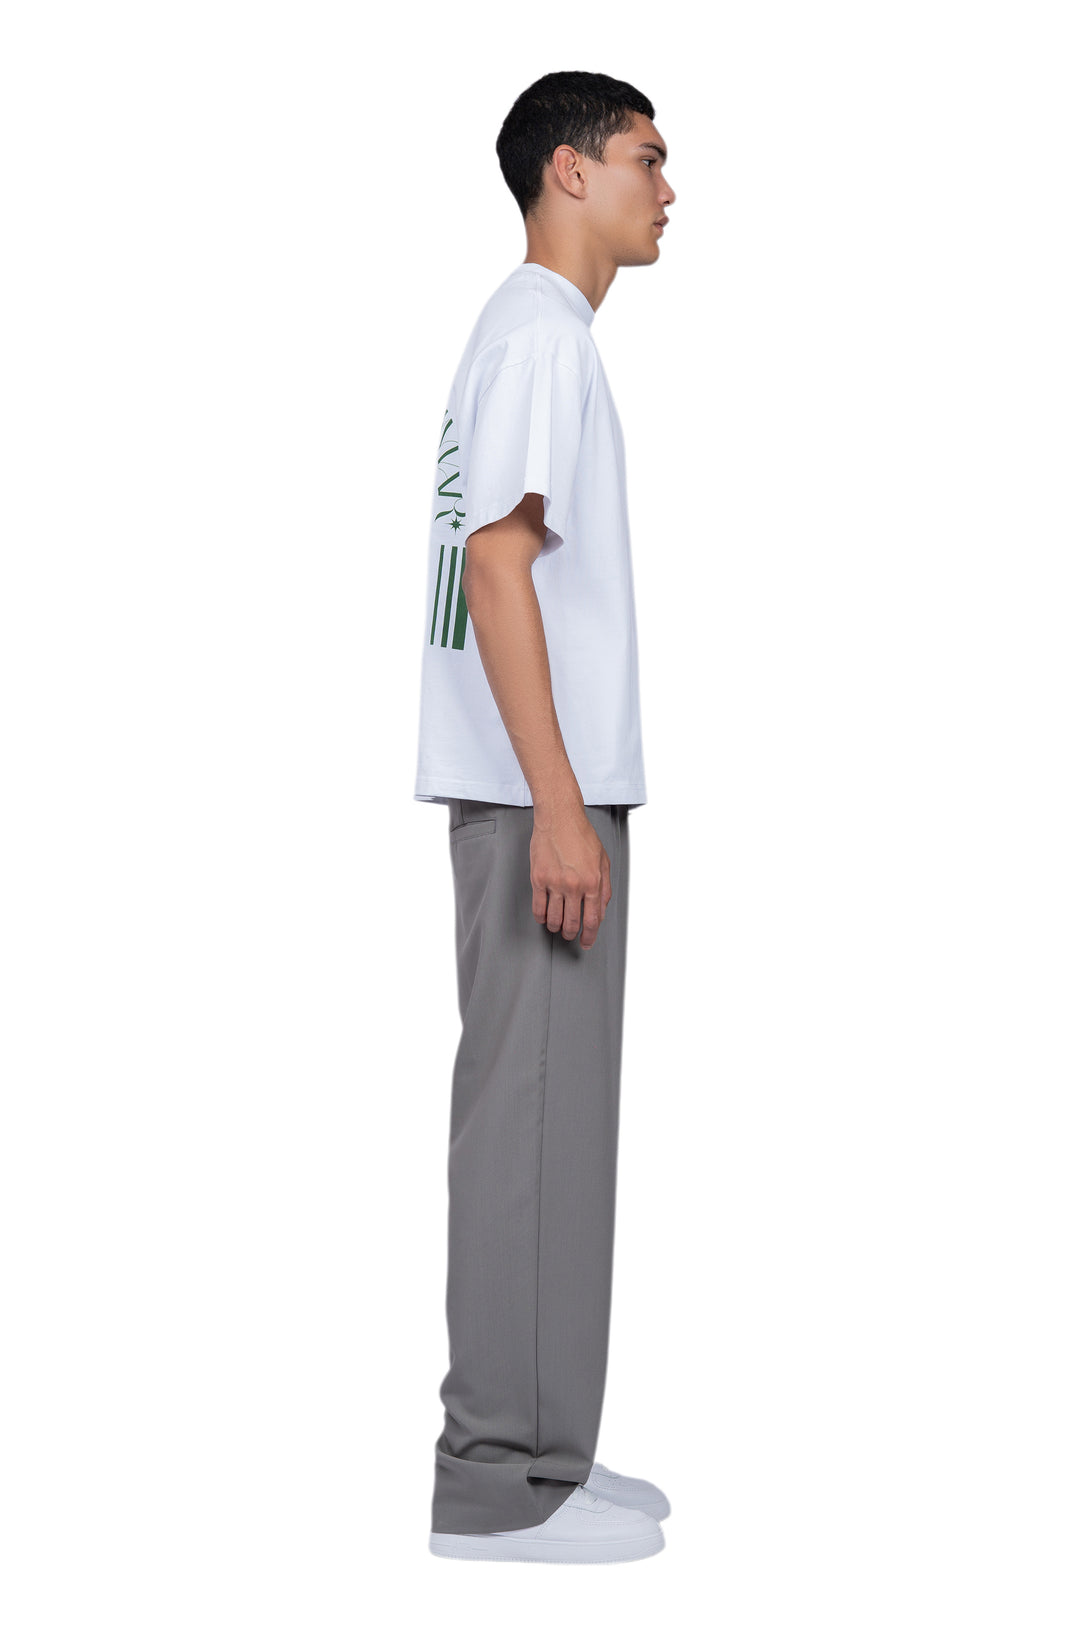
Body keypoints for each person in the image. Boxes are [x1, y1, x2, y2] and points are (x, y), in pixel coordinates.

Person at [413, 70, 676, 1565]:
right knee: (527, 1126)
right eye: (645, 156)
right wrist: (562, 807)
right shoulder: (538, 339)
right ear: (567, 171)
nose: (667, 188)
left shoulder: (536, 339)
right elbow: (499, 568)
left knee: (555, 1129)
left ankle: (546, 1459)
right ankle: (495, 1483)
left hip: (536, 788)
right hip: (536, 798)